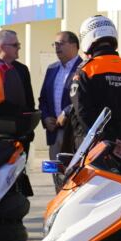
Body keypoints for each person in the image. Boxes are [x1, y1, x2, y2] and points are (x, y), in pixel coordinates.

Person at [66, 15, 121, 155]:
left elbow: (83, 112)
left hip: (94, 151)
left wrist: (109, 141)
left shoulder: (85, 71)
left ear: (86, 39)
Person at [38, 29, 81, 182]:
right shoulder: (52, 69)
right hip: (54, 133)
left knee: (74, 179)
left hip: (74, 134)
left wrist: (66, 113)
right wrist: (46, 117)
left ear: (74, 45)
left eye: (60, 43)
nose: (56, 47)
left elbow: (83, 100)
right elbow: (43, 99)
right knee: (58, 178)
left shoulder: (83, 68)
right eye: (54, 44)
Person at [0, 29, 32, 106]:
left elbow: (29, 102)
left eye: (19, 44)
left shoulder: (22, 69)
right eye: (15, 45)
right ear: (2, 47)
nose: (19, 48)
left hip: (18, 117)